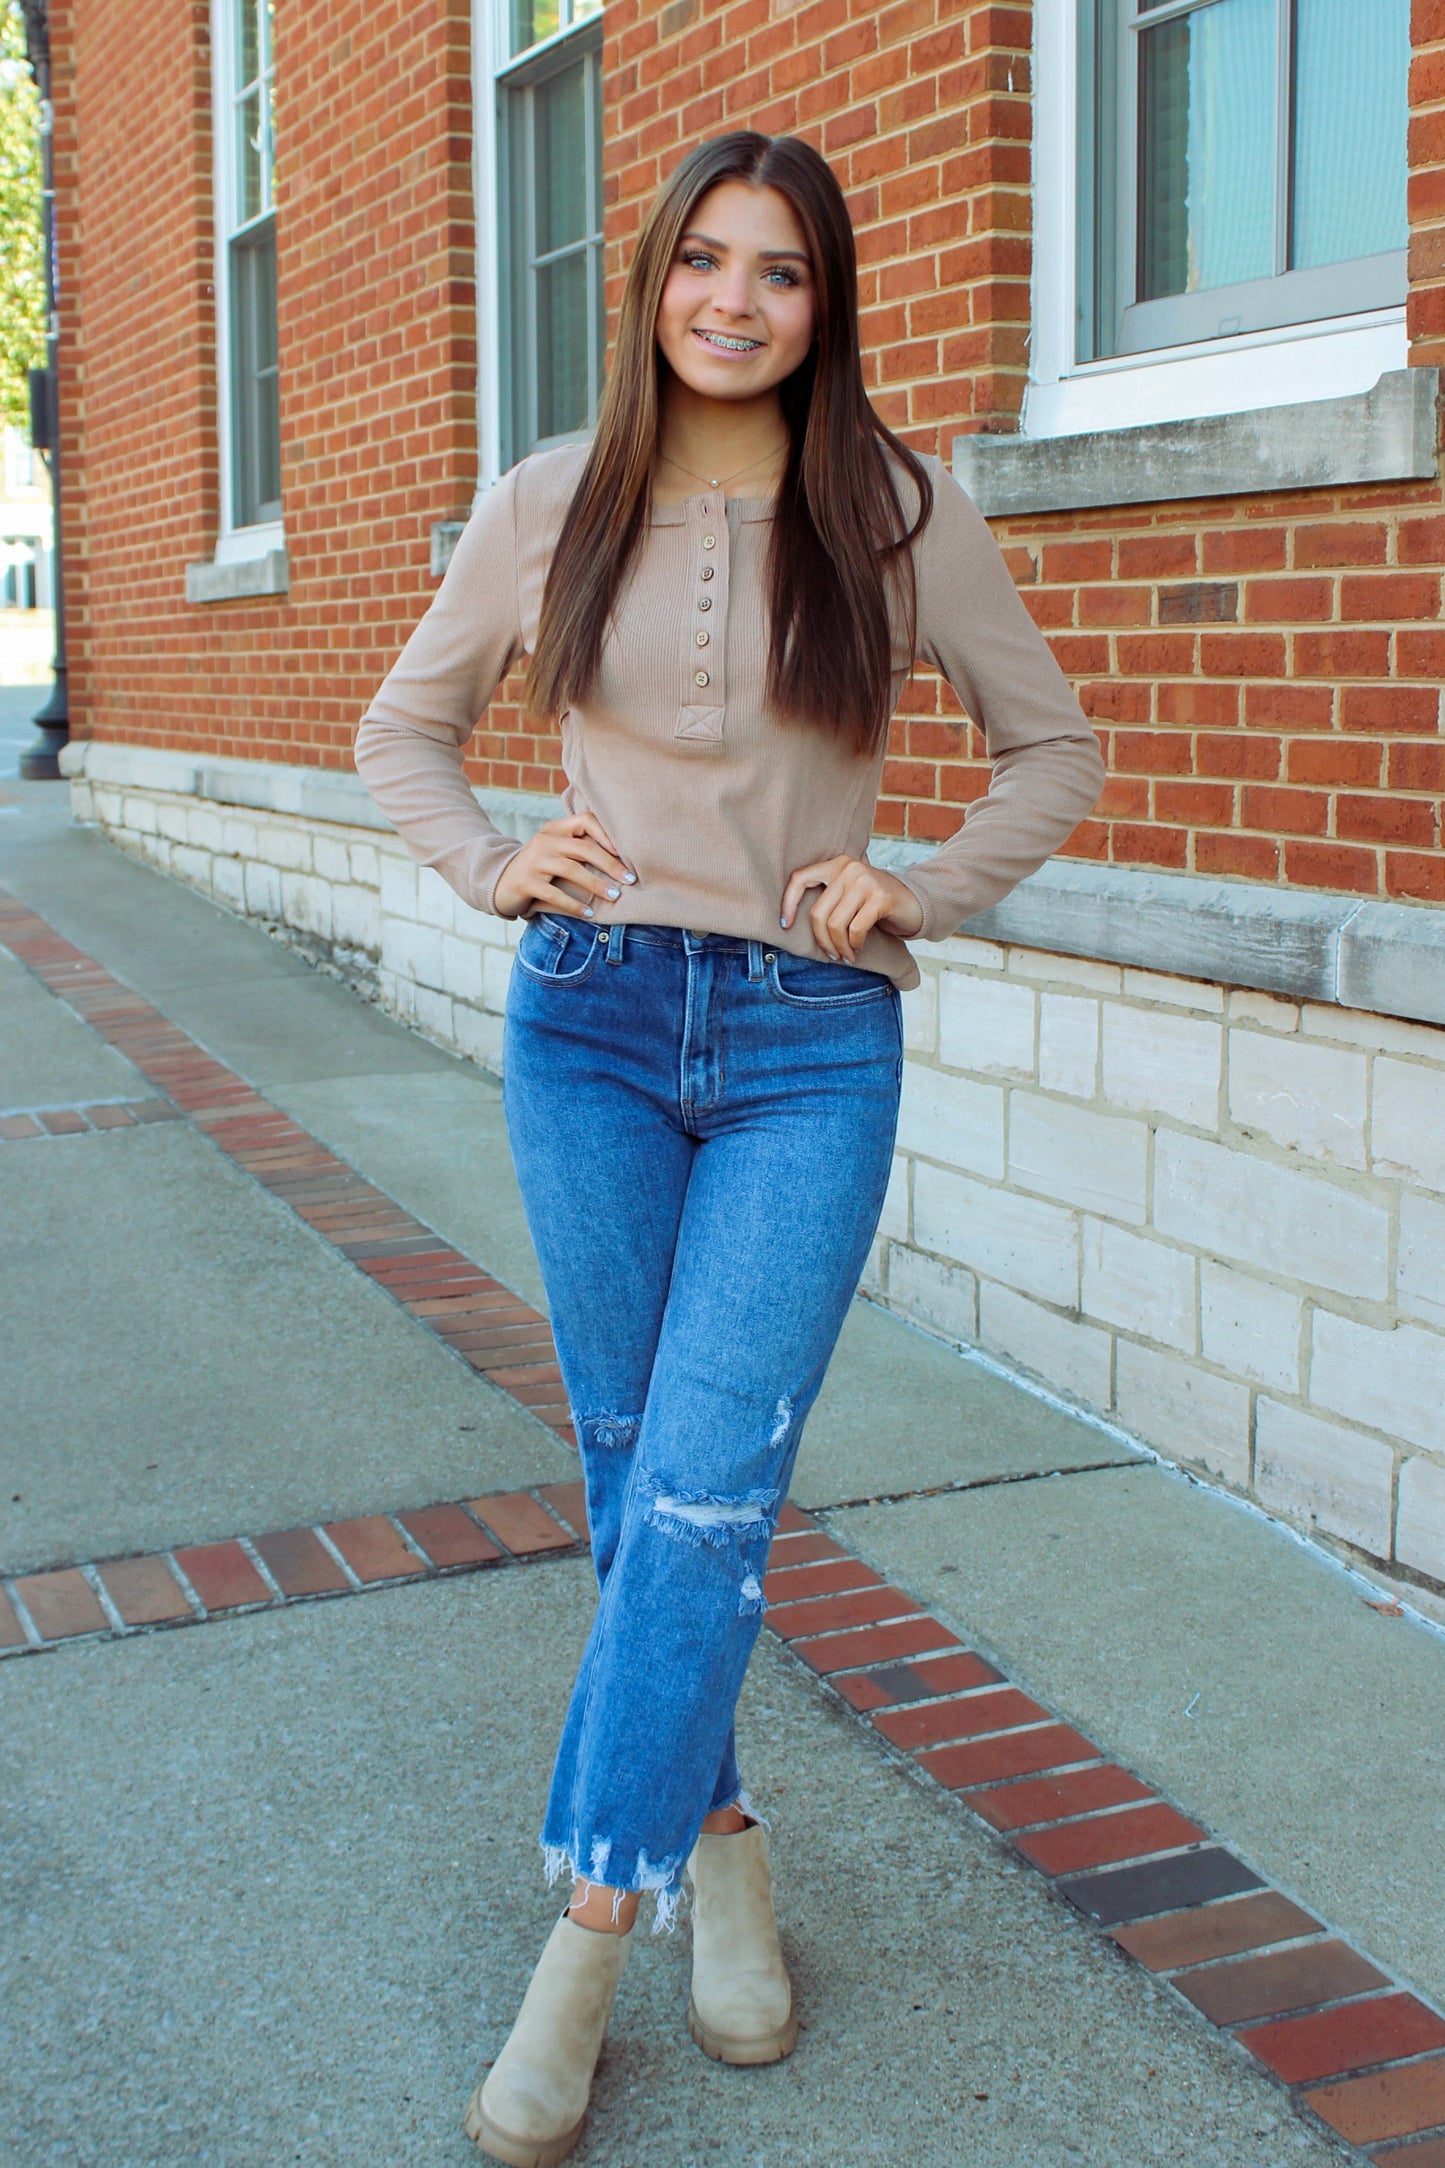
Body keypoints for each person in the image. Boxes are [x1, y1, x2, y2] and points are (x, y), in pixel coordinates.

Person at [354, 128, 1104, 2168]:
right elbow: (398, 731)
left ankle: (587, 1940)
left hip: (804, 1047)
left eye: (781, 270)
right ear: (655, 283)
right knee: (633, 1475)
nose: (738, 301)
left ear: (824, 299)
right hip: (589, 1027)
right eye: (705, 261)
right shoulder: (551, 501)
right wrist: (498, 862)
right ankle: (731, 1852)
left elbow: (1053, 743)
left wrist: (923, 889)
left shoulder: (895, 508)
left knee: (703, 1494)